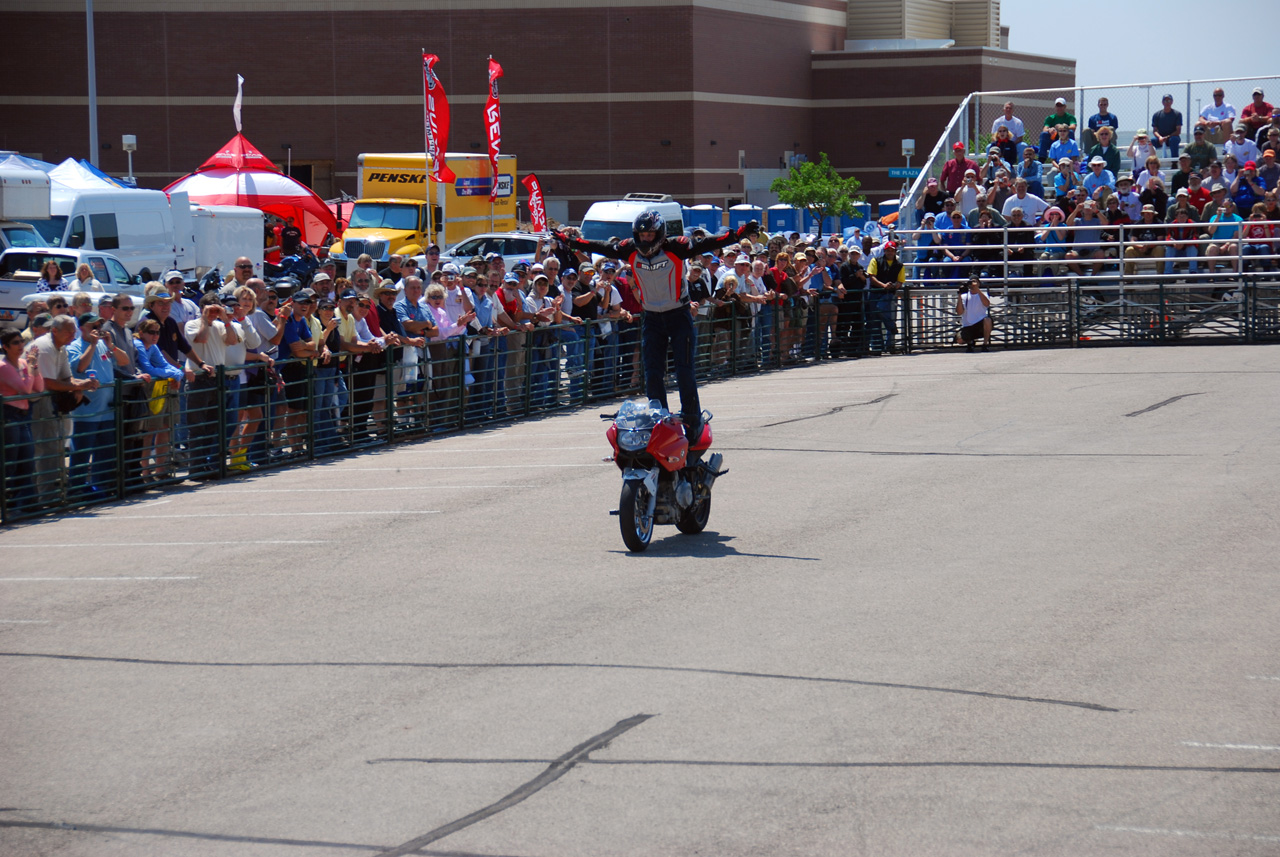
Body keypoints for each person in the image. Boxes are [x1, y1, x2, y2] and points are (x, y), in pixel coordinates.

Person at [555, 212, 757, 436]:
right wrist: (571, 241)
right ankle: (657, 417)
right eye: (642, 235)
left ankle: (692, 418)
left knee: (684, 370)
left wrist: (738, 234)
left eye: (651, 234)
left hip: (678, 314)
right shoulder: (628, 248)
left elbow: (708, 242)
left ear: (659, 234)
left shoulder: (677, 246)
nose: (646, 239)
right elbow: (601, 246)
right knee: (652, 371)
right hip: (651, 316)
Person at [65, 312, 120, 497]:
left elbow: (121, 362)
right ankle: (77, 489)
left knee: (105, 451)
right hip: (87, 411)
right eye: (92, 326)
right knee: (81, 452)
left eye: (99, 325)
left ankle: (100, 487)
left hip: (106, 409)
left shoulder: (104, 345)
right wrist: (94, 344)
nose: (97, 330)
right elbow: (80, 367)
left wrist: (110, 345)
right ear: (82, 328)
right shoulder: (75, 347)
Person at [0, 328, 45, 510]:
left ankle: (22, 504)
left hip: (22, 416)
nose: (20, 346)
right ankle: (7, 505)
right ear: (5, 347)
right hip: (9, 416)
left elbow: (39, 387)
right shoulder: (3, 367)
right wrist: (31, 370)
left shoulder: (23, 363)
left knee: (26, 461)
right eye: (15, 343)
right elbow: (26, 389)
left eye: (21, 341)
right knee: (10, 462)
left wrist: (33, 366)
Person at [1124, 205, 1167, 275]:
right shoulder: (1137, 224)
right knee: (1129, 250)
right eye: (1146, 213)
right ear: (1143, 214)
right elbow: (1132, 240)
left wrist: (1148, 246)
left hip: (1154, 249)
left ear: (1153, 214)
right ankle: (1128, 278)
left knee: (1160, 249)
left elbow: (1160, 240)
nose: (1148, 215)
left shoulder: (1159, 224)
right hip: (1140, 249)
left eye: (1149, 213)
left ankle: (1160, 277)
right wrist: (1140, 246)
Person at [955, 275, 991, 352]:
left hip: (980, 323)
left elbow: (987, 304)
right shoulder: (964, 296)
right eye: (971, 282)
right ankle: (970, 342)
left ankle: (985, 344)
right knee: (959, 340)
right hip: (968, 325)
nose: (973, 284)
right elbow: (959, 312)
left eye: (975, 281)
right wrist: (960, 295)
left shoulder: (983, 294)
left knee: (987, 320)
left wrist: (977, 289)